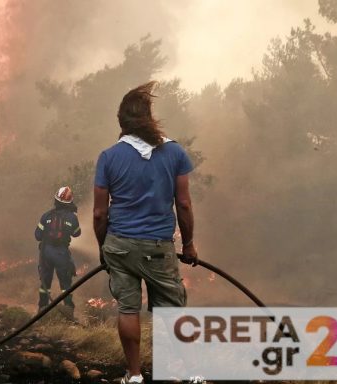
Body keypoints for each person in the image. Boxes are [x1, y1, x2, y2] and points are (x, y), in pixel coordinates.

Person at [93, 81, 198, 384]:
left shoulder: (109, 157)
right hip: (158, 247)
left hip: (120, 245)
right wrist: (189, 244)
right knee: (173, 313)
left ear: (122, 122)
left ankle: (135, 375)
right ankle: (187, 374)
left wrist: (104, 249)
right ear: (150, 118)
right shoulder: (175, 153)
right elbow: (185, 205)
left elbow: (100, 213)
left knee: (128, 309)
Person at [34, 186, 81, 317]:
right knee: (66, 284)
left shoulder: (46, 215)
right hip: (61, 254)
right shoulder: (72, 217)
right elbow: (77, 233)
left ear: (56, 200)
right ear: (70, 202)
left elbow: (37, 235)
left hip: (45, 253)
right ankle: (68, 311)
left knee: (45, 283)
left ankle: (42, 309)